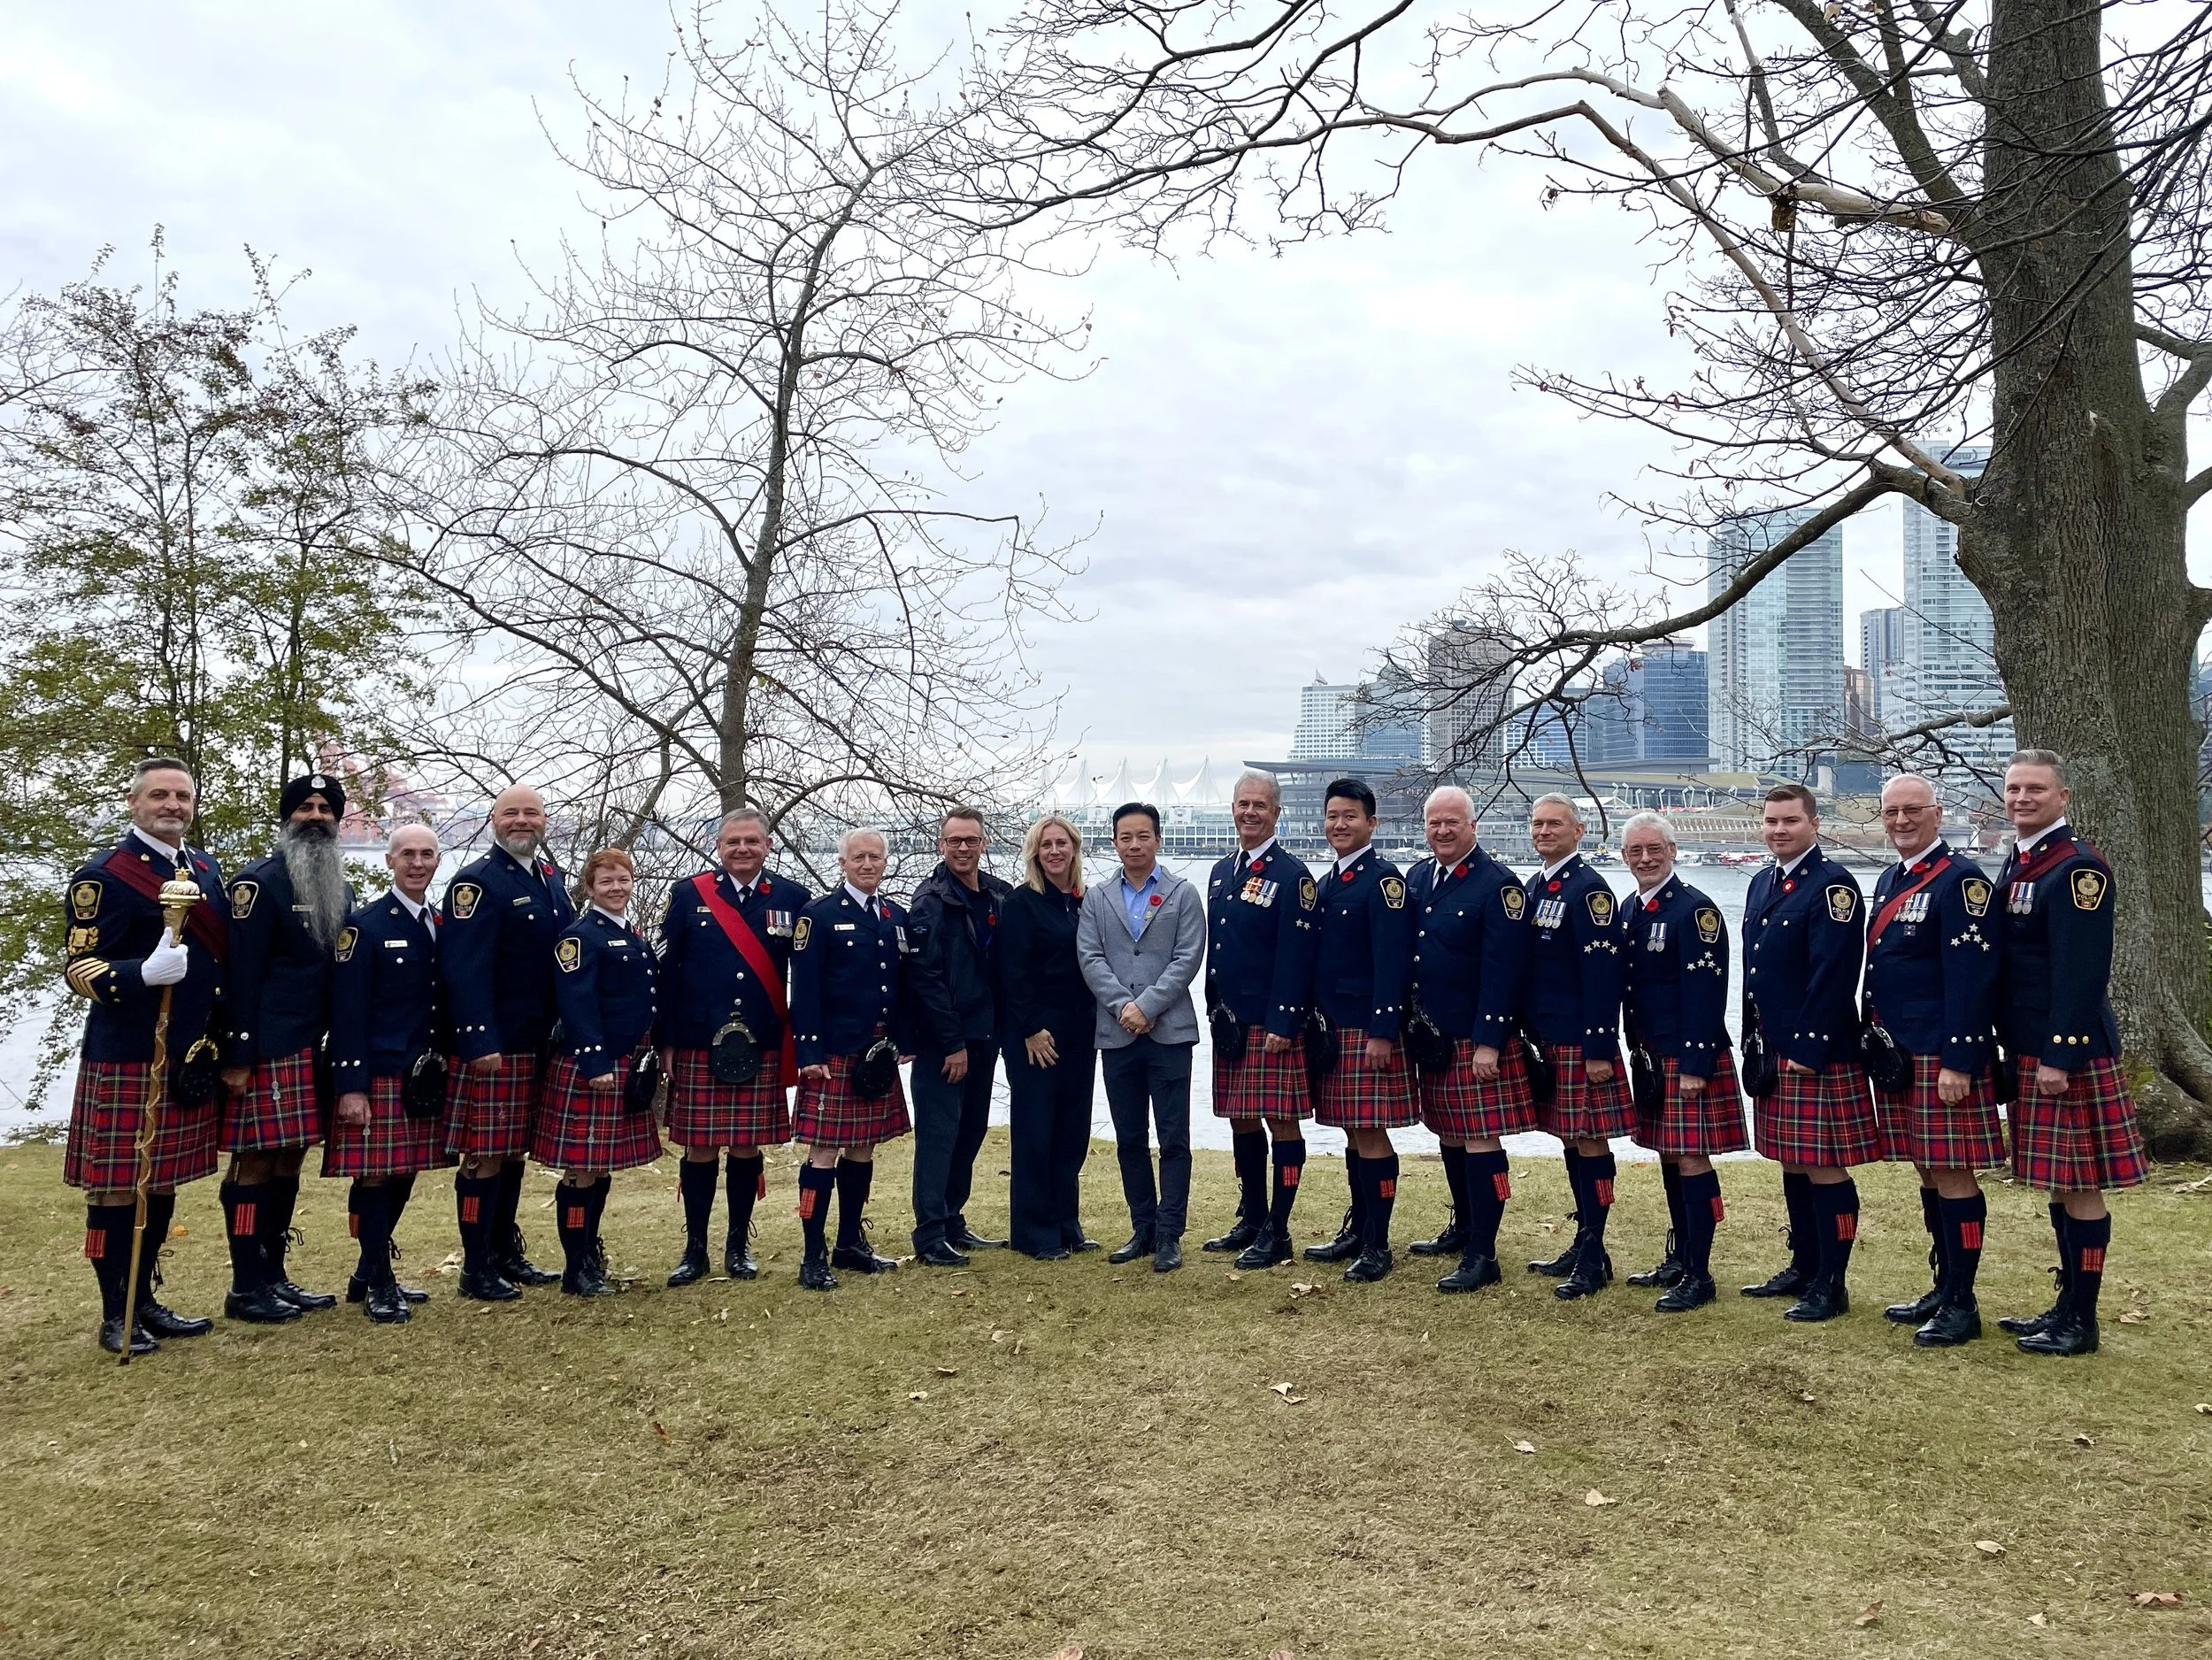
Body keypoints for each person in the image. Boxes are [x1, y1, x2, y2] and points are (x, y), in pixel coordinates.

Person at [61, 757, 227, 1356]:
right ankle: (115, 1312)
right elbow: (78, 968)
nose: (172, 806)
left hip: (183, 1052)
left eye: (182, 797)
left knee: (159, 1185)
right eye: (160, 795)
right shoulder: (104, 875)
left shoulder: (204, 869)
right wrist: (140, 973)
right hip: (128, 1051)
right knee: (114, 1188)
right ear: (134, 803)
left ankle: (146, 1298)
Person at [1992, 750, 2147, 1357]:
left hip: (2067, 1052)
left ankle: (2081, 1320)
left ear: (2063, 797)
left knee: (2080, 1183)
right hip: (2031, 1047)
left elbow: (2082, 973)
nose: (2022, 798)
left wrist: (2060, 1054)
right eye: (2014, 788)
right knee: (2060, 1182)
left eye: (2035, 789)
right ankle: (2065, 1305)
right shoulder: (2025, 861)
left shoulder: (2078, 867)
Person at [1863, 775, 2005, 1348]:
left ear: (1936, 813)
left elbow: (1972, 980)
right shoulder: (1890, 879)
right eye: (1891, 811)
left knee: (1952, 1172)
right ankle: (1944, 1286)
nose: (1901, 820)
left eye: (1912, 810)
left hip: (1940, 1055)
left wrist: (1961, 1060)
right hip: (1900, 1054)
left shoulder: (1960, 881)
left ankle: (1963, 1305)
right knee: (1926, 1168)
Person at [1739, 783, 1880, 1323]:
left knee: (1825, 1166)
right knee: (1793, 1161)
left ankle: (1832, 1281)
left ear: (1814, 824)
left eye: (1790, 821)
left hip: (1815, 1050)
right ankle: (1804, 1265)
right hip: (1775, 1047)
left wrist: (1808, 1046)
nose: (1779, 830)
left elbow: (1835, 974)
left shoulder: (1832, 886)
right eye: (1771, 821)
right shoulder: (1762, 883)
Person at [655, 808, 810, 1286]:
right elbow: (665, 973)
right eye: (732, 843)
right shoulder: (689, 895)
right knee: (699, 1148)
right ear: (718, 848)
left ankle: (738, 1247)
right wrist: (664, 1042)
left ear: (768, 846)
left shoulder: (792, 897)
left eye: (751, 842)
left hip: (760, 1041)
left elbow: (807, 977)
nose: (742, 850)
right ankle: (694, 1249)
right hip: (700, 1041)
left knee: (746, 1146)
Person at [218, 772, 352, 1325]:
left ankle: (275, 1274)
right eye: (305, 807)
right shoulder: (259, 883)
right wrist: (238, 1054)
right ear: (287, 817)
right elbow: (240, 976)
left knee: (290, 1157)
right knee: (254, 1162)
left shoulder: (337, 885)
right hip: (267, 1046)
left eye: (325, 808)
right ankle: (245, 1284)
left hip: (311, 1045)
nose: (316, 816)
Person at [439, 785, 575, 1300]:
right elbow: (462, 970)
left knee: (513, 1151)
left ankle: (504, 1251)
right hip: (495, 1045)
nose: (522, 821)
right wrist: (477, 1040)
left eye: (531, 813)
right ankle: (475, 1266)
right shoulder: (477, 882)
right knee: (483, 1154)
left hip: (538, 1041)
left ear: (545, 821)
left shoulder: (548, 877)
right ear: (494, 821)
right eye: (511, 813)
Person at [1403, 785, 1532, 1295]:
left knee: (1481, 1138)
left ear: (1472, 825)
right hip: (1432, 1038)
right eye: (1434, 822)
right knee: (1449, 1133)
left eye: (1452, 821)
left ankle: (1485, 1252)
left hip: (1473, 1038)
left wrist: (1490, 1040)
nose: (1442, 830)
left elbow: (1506, 970)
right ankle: (1462, 1229)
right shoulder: (1417, 877)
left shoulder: (1498, 884)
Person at [1617, 811, 1747, 1313]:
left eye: (1654, 849)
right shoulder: (1632, 908)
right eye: (1635, 852)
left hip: (1688, 1055)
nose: (1645, 859)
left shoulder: (1696, 911)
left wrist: (1696, 1063)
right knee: (1670, 1155)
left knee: (1692, 1158)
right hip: (1651, 1053)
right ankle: (1681, 1257)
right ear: (1624, 857)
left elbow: (1706, 992)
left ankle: (1700, 1273)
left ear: (1672, 850)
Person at [326, 824, 452, 1324]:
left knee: (404, 1172)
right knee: (374, 1176)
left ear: (438, 861)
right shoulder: (365, 926)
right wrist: (351, 1086)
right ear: (389, 862)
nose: (417, 863)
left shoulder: (440, 922)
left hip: (423, 1073)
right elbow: (347, 1012)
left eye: (427, 855)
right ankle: (379, 1279)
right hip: (379, 1067)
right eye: (408, 855)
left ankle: (365, 1271)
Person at [1076, 801, 1206, 1272]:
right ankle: (1143, 1228)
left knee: (1174, 1137)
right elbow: (1090, 957)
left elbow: (1188, 957)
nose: (1134, 845)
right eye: (1125, 837)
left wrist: (1146, 1006)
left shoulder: (1182, 893)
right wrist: (1122, 1007)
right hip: (1116, 1034)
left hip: (1169, 1033)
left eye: (1143, 836)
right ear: (1114, 842)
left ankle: (1171, 1232)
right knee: (1130, 1137)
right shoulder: (1097, 897)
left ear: (1158, 839)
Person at [1199, 769, 1319, 1270]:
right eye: (1243, 804)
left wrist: (1284, 1022)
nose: (1250, 813)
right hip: (1231, 1021)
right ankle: (1251, 1216)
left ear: (1276, 812)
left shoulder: (1293, 876)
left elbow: (1298, 957)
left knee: (1282, 1123)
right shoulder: (1222, 870)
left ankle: (1279, 1229)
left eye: (1260, 806)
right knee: (1241, 1119)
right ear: (1233, 808)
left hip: (1271, 1025)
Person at [1302, 778, 1417, 1284]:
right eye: (1332, 816)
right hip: (1333, 1028)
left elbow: (1393, 964)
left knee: (1371, 1133)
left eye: (1350, 816)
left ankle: (1378, 1243)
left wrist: (1383, 1030)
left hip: (1366, 1030)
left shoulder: (1385, 881)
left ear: (1372, 823)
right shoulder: (1328, 882)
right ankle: (1359, 1226)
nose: (1339, 825)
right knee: (1352, 1131)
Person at [787, 828, 914, 1291]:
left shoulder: (894, 917)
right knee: (823, 1151)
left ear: (884, 862)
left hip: (877, 1052)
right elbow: (804, 992)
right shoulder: (817, 916)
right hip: (834, 1053)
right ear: (842, 863)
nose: (867, 864)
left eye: (875, 857)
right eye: (858, 857)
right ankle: (811, 1254)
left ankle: (848, 1243)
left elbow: (900, 989)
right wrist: (809, 1052)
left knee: (864, 1147)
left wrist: (904, 1040)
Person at [533, 849, 662, 1296]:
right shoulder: (580, 937)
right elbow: (576, 1002)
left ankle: (589, 1251)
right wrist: (595, 1062)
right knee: (581, 1170)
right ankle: (575, 1268)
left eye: (623, 879)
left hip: (625, 1061)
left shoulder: (632, 933)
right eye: (605, 881)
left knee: (601, 1169)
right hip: (594, 1066)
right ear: (590, 889)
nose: (616, 888)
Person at [1520, 792, 1631, 1300]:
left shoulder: (1590, 891)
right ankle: (1585, 1241)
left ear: (1578, 830)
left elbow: (1603, 976)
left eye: (1554, 825)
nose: (1544, 832)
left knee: (1590, 1140)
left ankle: (1594, 1253)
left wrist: (1600, 1048)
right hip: (1548, 1038)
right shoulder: (1538, 885)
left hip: (1581, 1042)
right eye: (1538, 824)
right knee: (1568, 1139)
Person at [904, 807, 1012, 1265]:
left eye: (971, 840)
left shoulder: (998, 895)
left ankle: (953, 1218)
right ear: (940, 845)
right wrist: (952, 1044)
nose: (963, 848)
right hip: (946, 1043)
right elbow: (924, 979)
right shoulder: (930, 902)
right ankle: (929, 1232)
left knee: (971, 1129)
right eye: (954, 841)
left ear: (983, 843)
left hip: (986, 1036)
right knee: (939, 1135)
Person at [998, 815, 1100, 1258]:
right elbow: (1010, 972)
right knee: (1037, 1130)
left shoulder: (1083, 902)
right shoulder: (1023, 903)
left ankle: (1065, 1221)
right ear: (1035, 854)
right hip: (1036, 1033)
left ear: (1074, 849)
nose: (1055, 851)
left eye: (1062, 843)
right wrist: (1030, 1030)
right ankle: (1033, 1230)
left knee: (1072, 1130)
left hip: (1080, 1031)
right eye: (1046, 845)